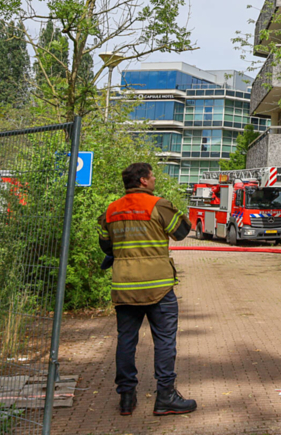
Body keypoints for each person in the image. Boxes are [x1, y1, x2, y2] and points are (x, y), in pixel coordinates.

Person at [98, 162, 197, 417]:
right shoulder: (158, 205)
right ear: (143, 180)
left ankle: (127, 398)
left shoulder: (111, 210)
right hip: (158, 288)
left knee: (126, 342)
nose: (154, 180)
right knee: (164, 342)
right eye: (152, 177)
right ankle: (165, 397)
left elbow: (106, 247)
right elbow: (182, 232)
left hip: (124, 287)